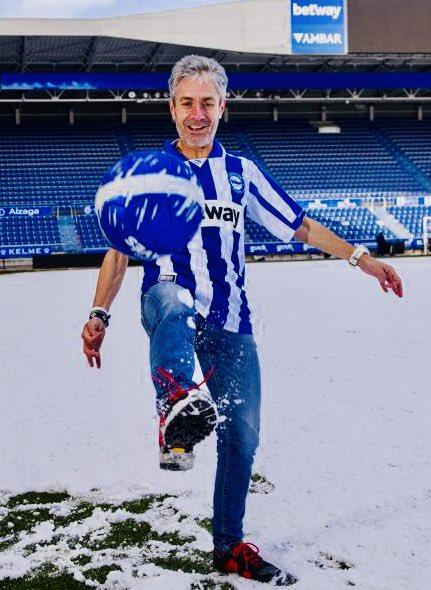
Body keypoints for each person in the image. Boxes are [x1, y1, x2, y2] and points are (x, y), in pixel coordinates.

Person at [81, 55, 403, 586]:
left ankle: (229, 546)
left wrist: (362, 259)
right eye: (187, 103)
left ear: (223, 107)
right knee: (174, 302)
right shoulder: (149, 174)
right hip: (166, 305)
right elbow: (119, 252)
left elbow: (298, 226)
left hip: (231, 320)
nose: (197, 113)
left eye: (207, 102)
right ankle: (175, 417)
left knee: (243, 435)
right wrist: (98, 313)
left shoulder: (241, 174)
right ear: (172, 108)